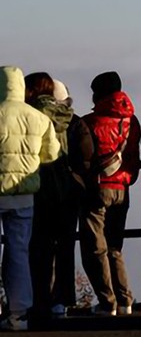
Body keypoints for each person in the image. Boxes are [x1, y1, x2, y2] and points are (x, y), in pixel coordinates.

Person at [76, 71, 141, 316]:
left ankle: (107, 303)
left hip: (98, 189)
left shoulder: (91, 122)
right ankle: (125, 301)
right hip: (122, 189)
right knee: (115, 247)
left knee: (95, 248)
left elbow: (83, 157)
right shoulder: (131, 121)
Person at [1, 66, 61, 331]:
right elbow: (51, 154)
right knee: (19, 252)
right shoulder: (37, 117)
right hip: (25, 195)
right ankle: (18, 314)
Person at [24, 73, 80, 318]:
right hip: (68, 189)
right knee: (65, 247)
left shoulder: (32, 117)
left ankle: (39, 300)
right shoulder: (73, 119)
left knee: (39, 247)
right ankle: (63, 301)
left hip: (40, 187)